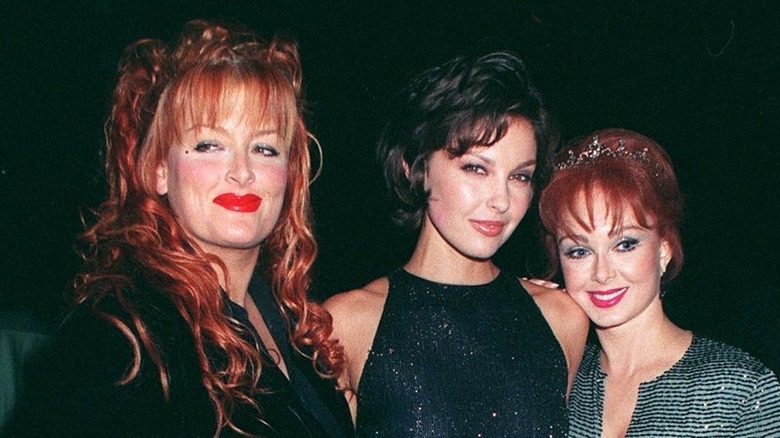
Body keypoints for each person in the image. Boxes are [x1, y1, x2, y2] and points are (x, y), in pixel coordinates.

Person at [3, 20, 353, 437]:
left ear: (290, 173)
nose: (242, 172)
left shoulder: (293, 326)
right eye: (209, 145)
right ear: (158, 172)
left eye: (264, 148)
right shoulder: (120, 338)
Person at [324, 51, 589, 436]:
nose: (501, 200)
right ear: (414, 166)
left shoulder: (561, 318)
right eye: (476, 168)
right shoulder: (346, 323)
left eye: (520, 177)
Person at [538, 128, 780, 437]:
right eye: (579, 251)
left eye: (625, 244)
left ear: (663, 249)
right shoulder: (556, 381)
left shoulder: (740, 388)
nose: (601, 273)